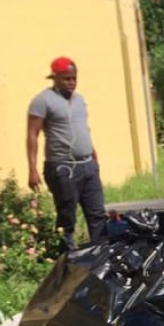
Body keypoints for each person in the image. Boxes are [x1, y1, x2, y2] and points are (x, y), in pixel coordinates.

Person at [26, 56, 107, 250]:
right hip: (63, 167)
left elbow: (83, 129)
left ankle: (100, 255)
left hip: (87, 165)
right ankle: (67, 259)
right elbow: (32, 135)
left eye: (74, 78)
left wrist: (93, 155)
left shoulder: (79, 100)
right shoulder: (42, 101)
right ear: (55, 78)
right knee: (67, 216)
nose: (71, 82)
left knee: (97, 214)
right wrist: (32, 169)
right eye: (66, 79)